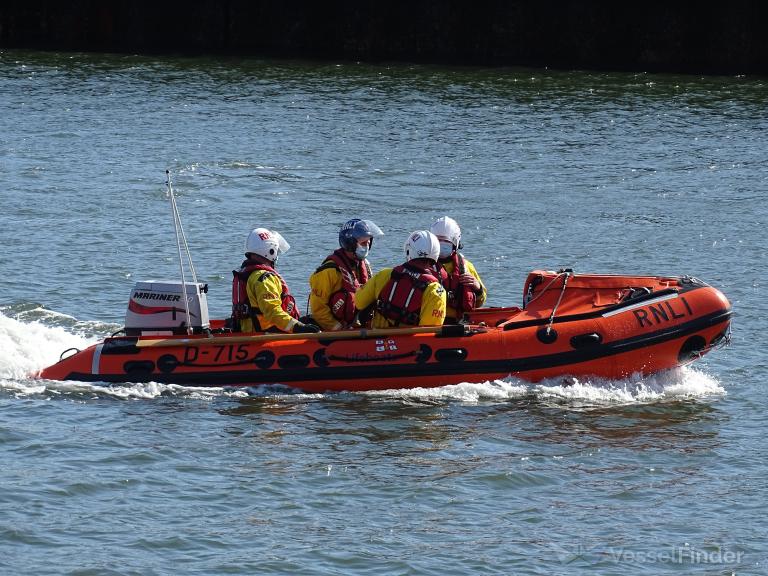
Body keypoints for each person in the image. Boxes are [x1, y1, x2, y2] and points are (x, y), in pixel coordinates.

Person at [230, 228, 320, 334]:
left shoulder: (246, 273)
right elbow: (273, 312)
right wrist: (297, 327)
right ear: (270, 251)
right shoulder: (264, 279)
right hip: (267, 334)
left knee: (311, 320)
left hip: (250, 330)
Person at [354, 230, 446, 328]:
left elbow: (358, 302)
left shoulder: (384, 275)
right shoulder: (437, 291)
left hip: (377, 340)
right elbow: (428, 332)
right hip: (411, 342)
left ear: (408, 250)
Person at [309, 219, 384, 331]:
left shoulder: (365, 265)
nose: (367, 247)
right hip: (335, 330)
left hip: (356, 326)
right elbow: (318, 310)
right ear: (350, 243)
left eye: (369, 243)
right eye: (363, 243)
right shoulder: (329, 272)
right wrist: (338, 328)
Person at [430, 216, 486, 322]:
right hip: (430, 320)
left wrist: (477, 288)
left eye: (445, 242)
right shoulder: (424, 264)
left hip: (457, 322)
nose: (441, 245)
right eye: (438, 241)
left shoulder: (466, 266)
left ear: (455, 243)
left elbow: (480, 301)